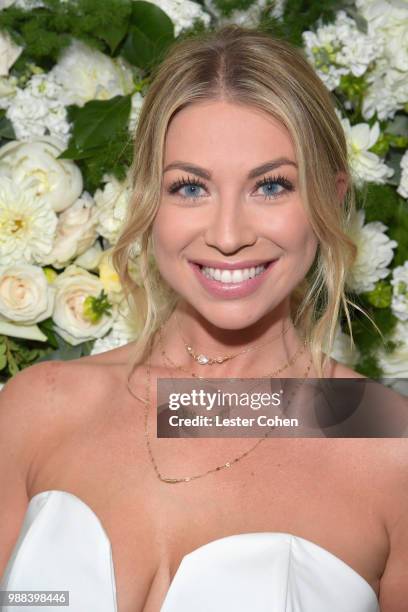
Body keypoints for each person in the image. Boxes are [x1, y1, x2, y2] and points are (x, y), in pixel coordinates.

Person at [0, 24, 407, 612]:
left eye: (271, 186)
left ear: (331, 198)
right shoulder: (39, 408)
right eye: (190, 188)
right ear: (147, 200)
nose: (228, 235)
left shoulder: (389, 444)